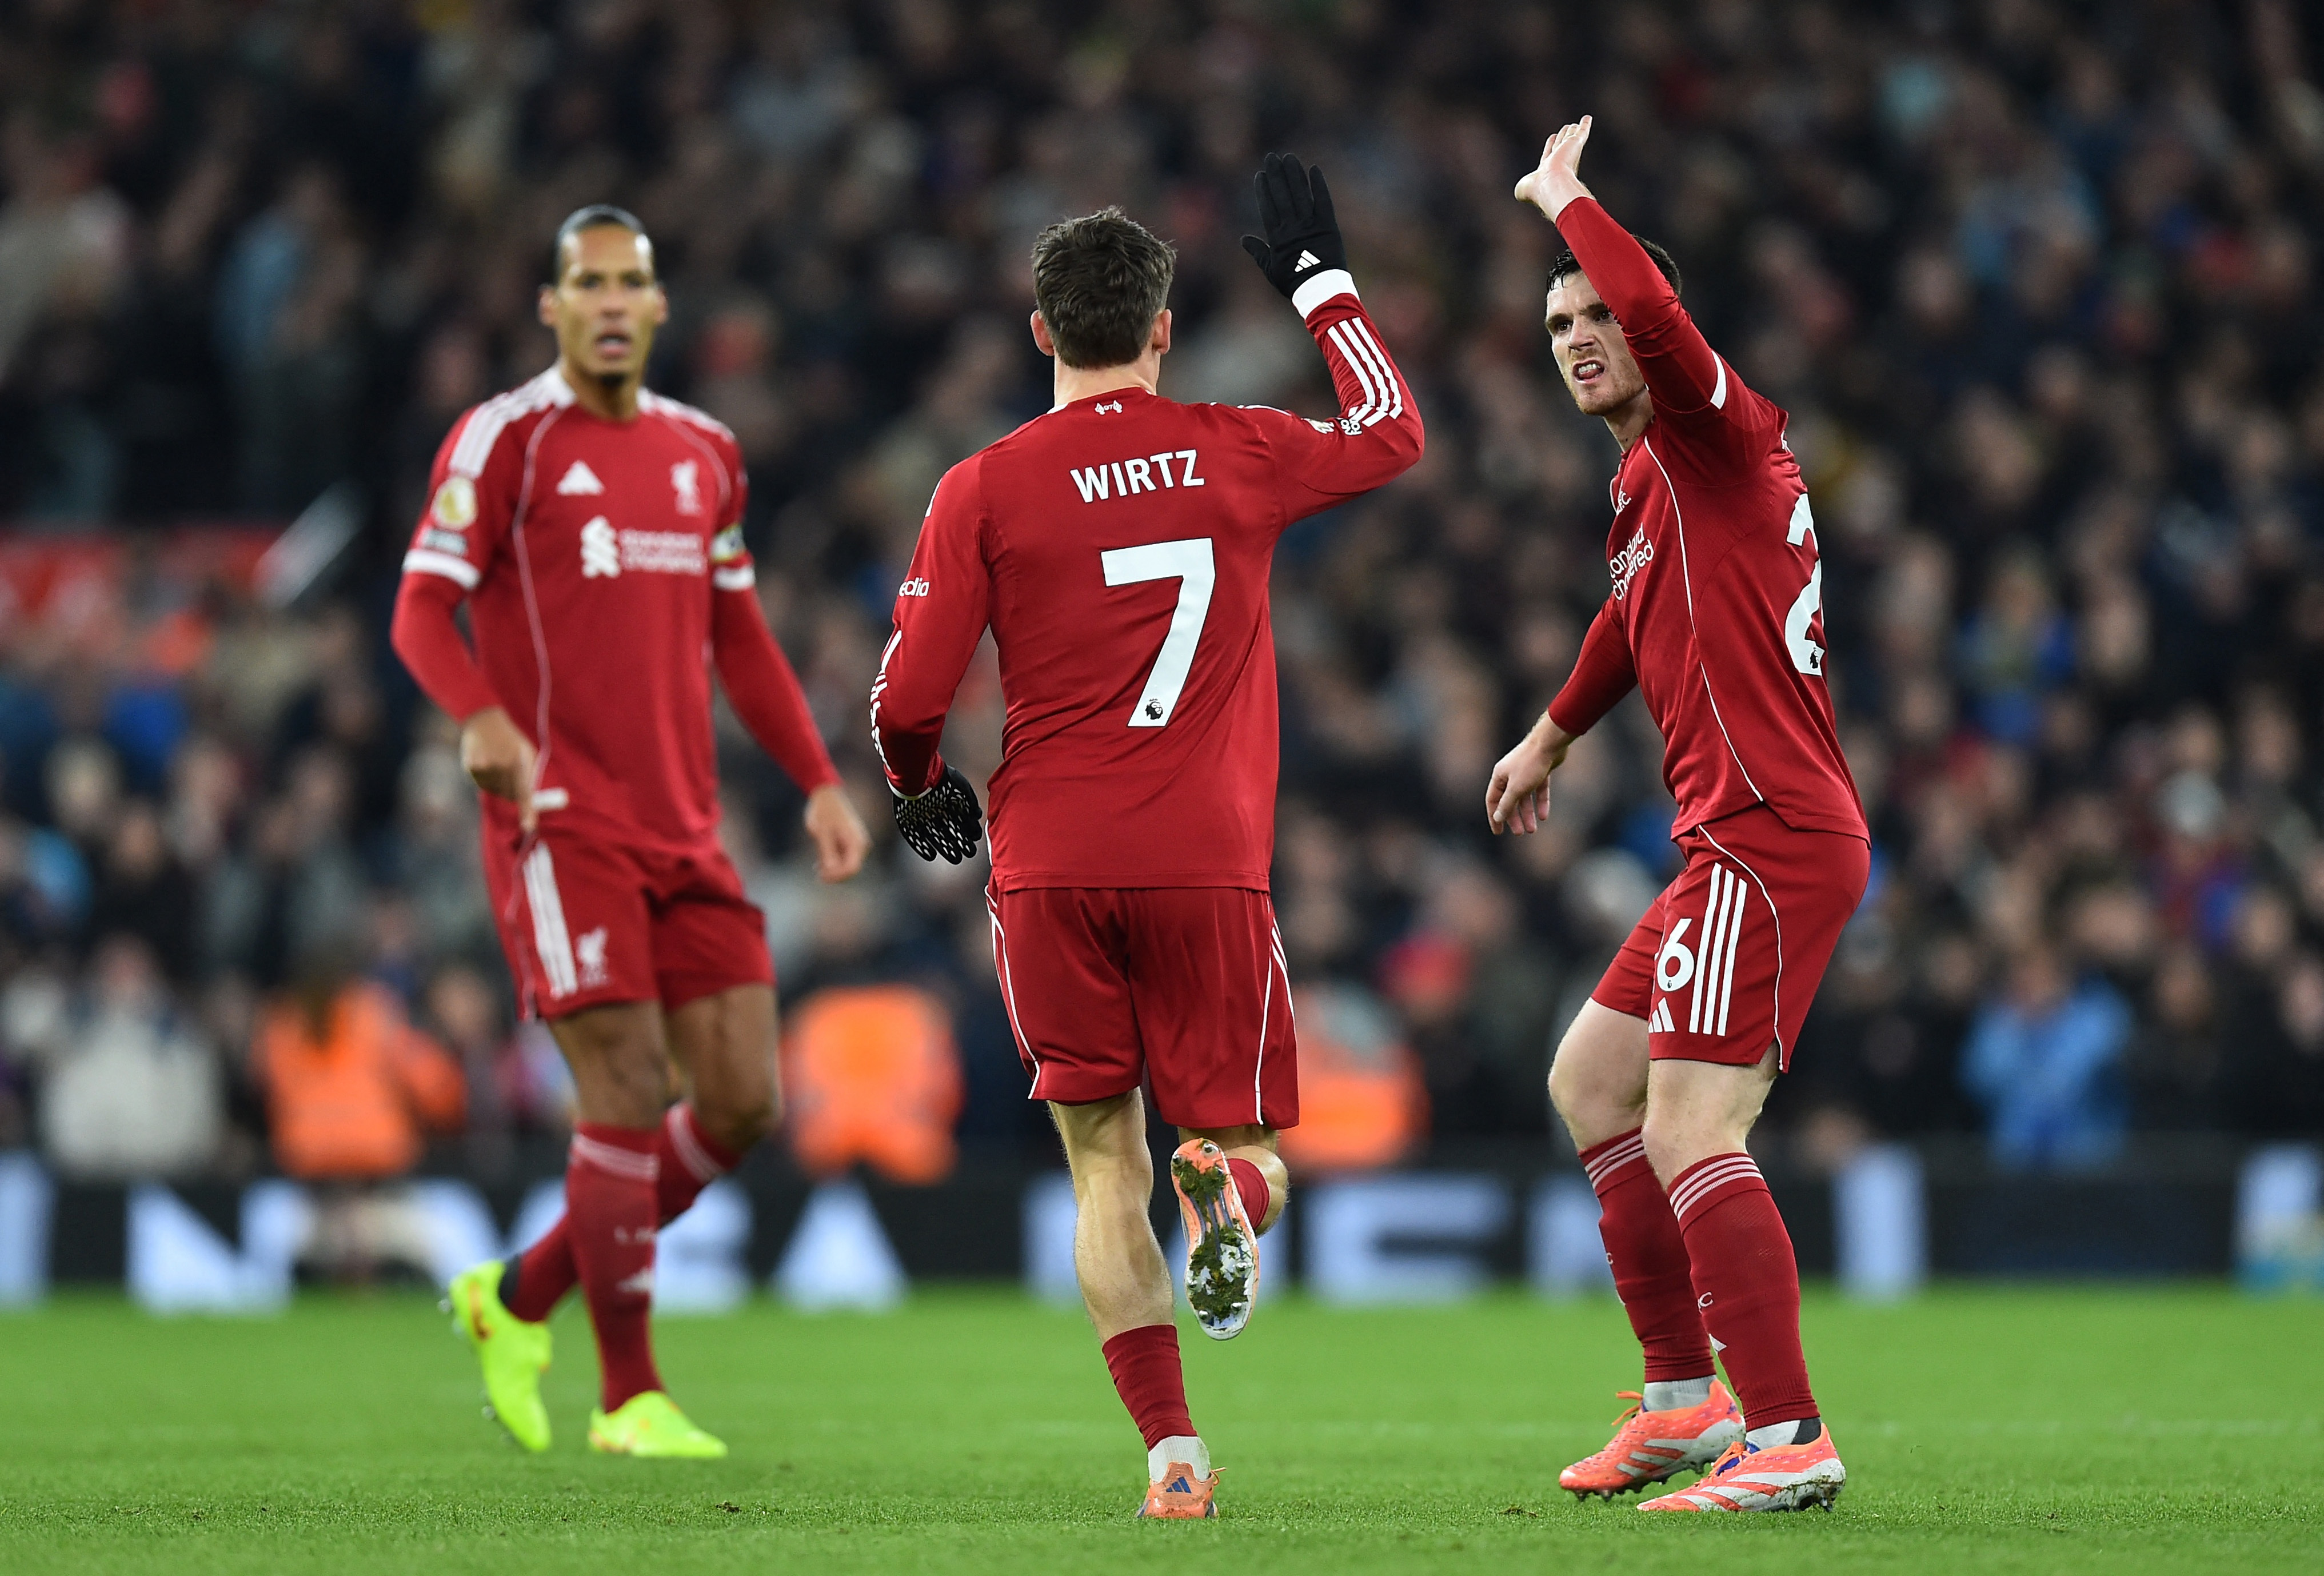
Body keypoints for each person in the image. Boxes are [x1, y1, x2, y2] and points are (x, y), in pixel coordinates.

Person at [868, 158, 1423, 1517]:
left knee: (1098, 1157)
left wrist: (919, 778)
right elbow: (1392, 430)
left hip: (1050, 862)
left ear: (1041, 329)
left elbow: (903, 697)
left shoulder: (983, 486)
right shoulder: (1235, 445)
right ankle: (1226, 1180)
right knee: (1240, 1143)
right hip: (1206, 856)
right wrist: (1322, 284)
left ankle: (1172, 1457)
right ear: (1164, 328)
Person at [389, 204, 871, 1459]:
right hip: (559, 823)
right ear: (550, 307)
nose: (609, 302)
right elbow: (417, 613)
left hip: (685, 826)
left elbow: (742, 638)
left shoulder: (704, 451)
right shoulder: (505, 441)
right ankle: (627, 1395)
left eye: (630, 283)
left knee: (744, 1098)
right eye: (585, 283)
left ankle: (518, 1293)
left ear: (660, 309)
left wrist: (818, 777)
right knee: (624, 1085)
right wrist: (481, 715)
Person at [1486, 119, 1867, 1514]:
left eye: (1595, 313)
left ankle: (1788, 1433)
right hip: (1730, 838)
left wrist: (1566, 200)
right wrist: (1548, 734)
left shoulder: (1718, 431)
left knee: (1693, 1126)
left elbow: (1651, 304)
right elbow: (1623, 620)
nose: (1579, 333)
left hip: (1767, 834)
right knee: (1590, 1080)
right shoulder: (1648, 484)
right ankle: (1679, 1399)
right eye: (1557, 321)